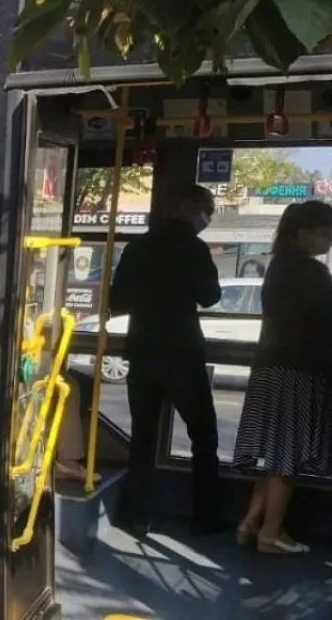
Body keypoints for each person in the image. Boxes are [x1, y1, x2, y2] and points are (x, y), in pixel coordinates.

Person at [110, 184, 224, 536]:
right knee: (203, 435)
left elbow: (117, 300)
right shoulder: (195, 249)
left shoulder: (138, 247)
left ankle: (137, 514)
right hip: (183, 353)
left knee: (143, 437)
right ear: (188, 207)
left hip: (142, 351)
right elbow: (211, 297)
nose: (207, 219)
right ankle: (205, 516)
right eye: (207, 211)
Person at [232, 201, 332, 554]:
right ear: (302, 233)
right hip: (297, 372)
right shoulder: (311, 271)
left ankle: (248, 524)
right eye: (324, 234)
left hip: (269, 368)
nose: (328, 241)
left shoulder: (278, 266)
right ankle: (271, 533)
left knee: (275, 457)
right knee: (287, 458)